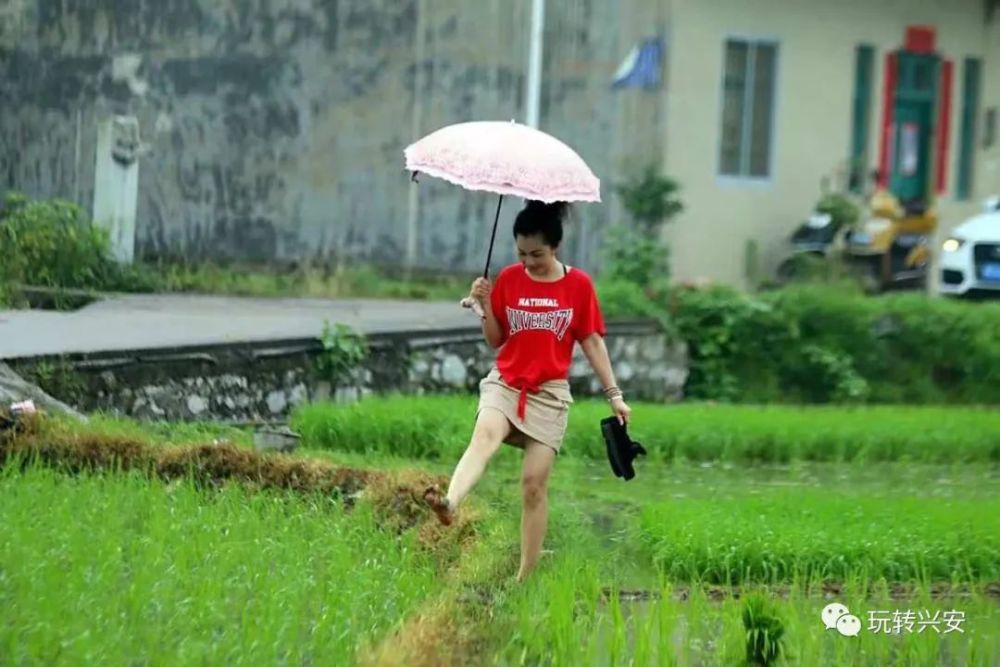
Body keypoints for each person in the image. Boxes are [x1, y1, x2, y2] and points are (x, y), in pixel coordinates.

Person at [423, 199, 632, 582]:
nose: (529, 262)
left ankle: (525, 577)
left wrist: (614, 393)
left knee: (533, 485)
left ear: (555, 247)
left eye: (536, 254)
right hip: (506, 382)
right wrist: (485, 306)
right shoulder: (509, 279)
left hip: (549, 395)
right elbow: (495, 340)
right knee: (484, 436)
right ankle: (450, 503)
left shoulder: (578, 285)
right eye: (521, 253)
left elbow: (592, 342)